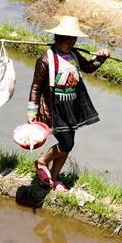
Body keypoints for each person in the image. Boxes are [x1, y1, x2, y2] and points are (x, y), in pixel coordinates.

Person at [28, 16, 108, 192]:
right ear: (58, 38)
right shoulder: (46, 59)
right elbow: (36, 86)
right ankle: (42, 162)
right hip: (54, 107)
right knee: (67, 143)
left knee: (68, 145)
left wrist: (101, 58)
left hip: (71, 105)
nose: (72, 43)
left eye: (74, 40)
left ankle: (54, 178)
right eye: (68, 40)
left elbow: (88, 67)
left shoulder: (73, 54)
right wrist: (32, 111)